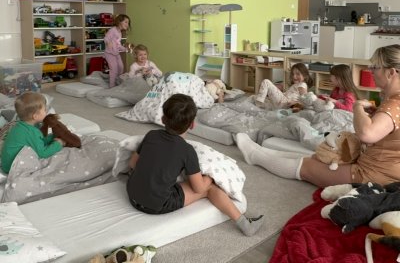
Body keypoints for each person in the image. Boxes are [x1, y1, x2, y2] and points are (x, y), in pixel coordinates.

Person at [236, 44, 400, 188]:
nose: (371, 71)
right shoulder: (393, 101)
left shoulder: (394, 104)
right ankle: (260, 150)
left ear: (391, 72)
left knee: (307, 167)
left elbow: (367, 134)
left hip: (371, 174)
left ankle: (254, 155)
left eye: (375, 67)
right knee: (312, 158)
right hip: (379, 167)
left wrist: (357, 107)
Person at [126, 93, 264, 236]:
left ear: (163, 119)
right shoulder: (187, 151)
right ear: (192, 124)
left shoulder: (151, 135)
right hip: (155, 205)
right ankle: (245, 224)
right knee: (209, 188)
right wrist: (210, 178)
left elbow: (132, 163)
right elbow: (199, 188)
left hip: (132, 194)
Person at [1, 92, 65, 174]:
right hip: (12, 167)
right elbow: (42, 153)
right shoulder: (30, 132)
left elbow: (39, 141)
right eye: (44, 110)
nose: (46, 112)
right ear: (35, 116)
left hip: (6, 163)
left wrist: (53, 136)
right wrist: (58, 144)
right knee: (53, 164)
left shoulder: (20, 125)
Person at [104, 14, 132, 87]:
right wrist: (108, 42)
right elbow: (106, 38)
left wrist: (126, 49)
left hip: (116, 53)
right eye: (126, 22)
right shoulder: (113, 30)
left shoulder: (120, 33)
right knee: (114, 69)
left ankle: (117, 80)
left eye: (128, 23)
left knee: (121, 67)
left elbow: (118, 45)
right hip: (109, 54)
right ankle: (112, 86)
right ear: (119, 22)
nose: (127, 24)